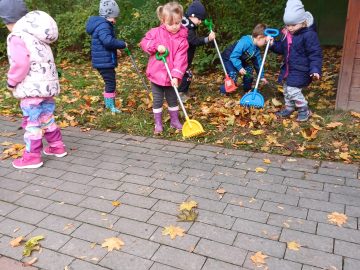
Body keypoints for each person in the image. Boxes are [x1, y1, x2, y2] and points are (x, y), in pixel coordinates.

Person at [1, 7, 67, 169]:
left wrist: (12, 82)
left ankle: (32, 156)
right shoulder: (37, 35)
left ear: (8, 21)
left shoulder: (17, 36)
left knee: (32, 123)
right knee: (46, 117)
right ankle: (57, 146)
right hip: (46, 87)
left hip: (31, 90)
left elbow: (21, 63)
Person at [140, 1, 189, 134]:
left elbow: (181, 59)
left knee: (173, 99)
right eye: (170, 24)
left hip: (171, 77)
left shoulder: (182, 39)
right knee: (157, 100)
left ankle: (174, 120)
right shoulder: (155, 33)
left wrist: (176, 76)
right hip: (156, 74)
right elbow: (144, 43)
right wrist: (156, 46)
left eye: (178, 23)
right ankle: (158, 123)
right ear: (163, 20)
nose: (174, 26)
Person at [270, 0, 322, 122]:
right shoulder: (287, 34)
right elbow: (282, 49)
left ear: (303, 22)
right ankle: (289, 107)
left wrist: (315, 69)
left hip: (302, 69)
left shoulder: (309, 35)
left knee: (293, 90)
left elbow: (315, 54)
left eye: (293, 25)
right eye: (288, 25)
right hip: (289, 68)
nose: (290, 28)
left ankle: (304, 109)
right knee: (287, 88)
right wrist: (272, 45)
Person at [86, 0, 127, 113]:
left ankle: (109, 104)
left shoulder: (101, 25)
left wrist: (115, 49)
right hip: (104, 62)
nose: (115, 20)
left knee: (109, 81)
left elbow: (104, 43)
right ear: (108, 15)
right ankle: (110, 107)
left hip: (103, 60)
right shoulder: (104, 26)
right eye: (114, 17)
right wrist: (122, 44)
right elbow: (108, 42)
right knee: (110, 82)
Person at [178, 0, 215, 102]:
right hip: (182, 57)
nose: (200, 21)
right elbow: (193, 41)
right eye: (199, 19)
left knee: (187, 73)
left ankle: (184, 90)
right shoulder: (187, 28)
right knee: (187, 74)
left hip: (186, 56)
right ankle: (180, 93)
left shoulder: (188, 23)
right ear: (192, 15)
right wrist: (208, 39)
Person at [219, 23, 269, 94]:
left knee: (249, 71)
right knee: (233, 74)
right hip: (229, 58)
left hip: (240, 60)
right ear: (259, 37)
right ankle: (224, 90)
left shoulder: (256, 49)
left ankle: (247, 89)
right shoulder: (245, 42)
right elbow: (234, 56)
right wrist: (239, 67)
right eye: (265, 41)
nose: (265, 43)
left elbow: (258, 64)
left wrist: (262, 76)